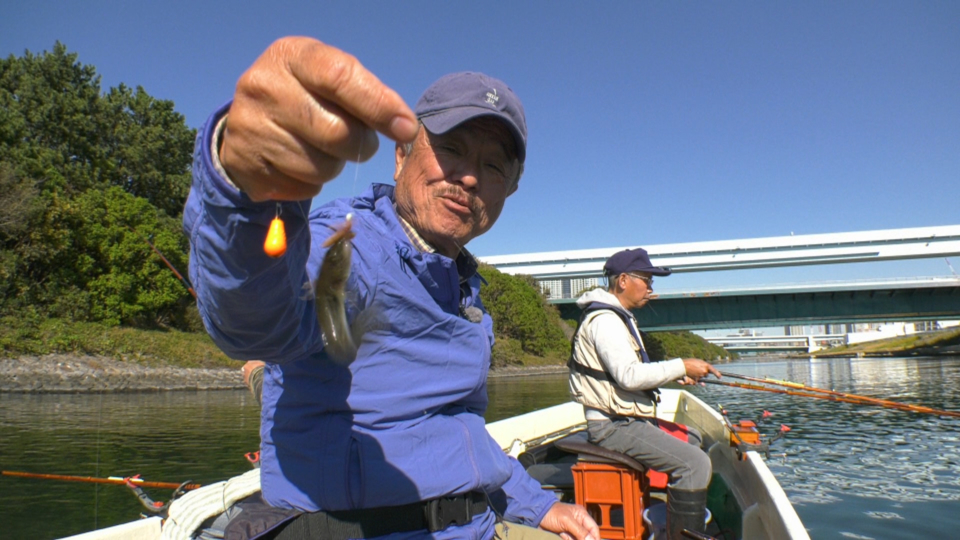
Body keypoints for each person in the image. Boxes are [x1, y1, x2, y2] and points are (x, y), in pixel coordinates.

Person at [184, 37, 599, 540]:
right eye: (450, 148)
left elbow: (459, 429)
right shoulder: (355, 247)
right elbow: (260, 321)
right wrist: (248, 190)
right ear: (401, 155)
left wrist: (535, 504)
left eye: (493, 166)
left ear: (509, 189)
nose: (469, 177)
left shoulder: (464, 285)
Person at [567, 248, 721, 540]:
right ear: (623, 280)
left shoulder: (620, 316)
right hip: (612, 426)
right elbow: (629, 376)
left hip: (625, 419)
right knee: (695, 464)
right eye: (647, 280)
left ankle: (669, 518)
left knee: (693, 438)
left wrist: (680, 374)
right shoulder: (606, 320)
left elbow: (624, 376)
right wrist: (681, 364)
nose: (651, 288)